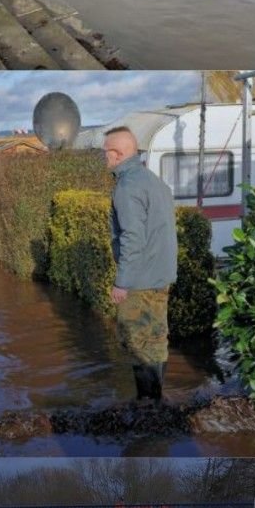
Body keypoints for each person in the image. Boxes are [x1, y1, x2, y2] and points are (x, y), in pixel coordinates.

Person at [103, 126, 178, 402]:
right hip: (161, 276)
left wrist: (122, 282)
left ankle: (148, 406)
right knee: (157, 338)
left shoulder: (127, 186)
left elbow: (132, 237)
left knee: (136, 342)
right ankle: (157, 402)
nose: (105, 158)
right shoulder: (152, 180)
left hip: (139, 280)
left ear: (117, 153)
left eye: (106, 153)